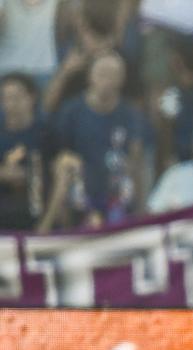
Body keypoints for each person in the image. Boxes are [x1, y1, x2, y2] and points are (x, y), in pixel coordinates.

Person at [42, 50, 148, 230]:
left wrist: (142, 210)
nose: (107, 80)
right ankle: (51, 230)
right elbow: (58, 153)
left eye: (114, 74)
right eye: (102, 73)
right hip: (79, 189)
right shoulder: (71, 111)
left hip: (116, 190)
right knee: (65, 165)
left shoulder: (131, 115)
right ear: (90, 76)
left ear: (122, 80)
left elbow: (136, 160)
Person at [0, 73, 46, 232]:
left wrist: (30, 174)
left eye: (18, 97)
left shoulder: (45, 132)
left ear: (31, 98)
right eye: (7, 98)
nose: (12, 103)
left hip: (39, 211)